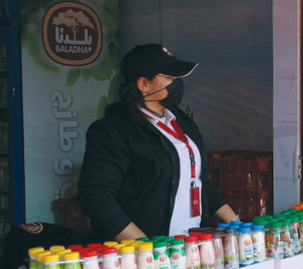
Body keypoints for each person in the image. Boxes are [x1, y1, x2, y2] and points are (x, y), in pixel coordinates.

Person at [78, 44, 237, 241]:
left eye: (177, 77)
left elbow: (199, 182)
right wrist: (146, 249)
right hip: (146, 255)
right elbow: (96, 197)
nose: (177, 83)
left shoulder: (181, 121)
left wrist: (239, 226)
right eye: (169, 77)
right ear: (143, 84)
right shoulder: (114, 130)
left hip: (192, 248)